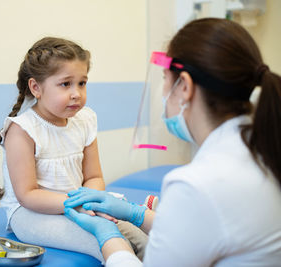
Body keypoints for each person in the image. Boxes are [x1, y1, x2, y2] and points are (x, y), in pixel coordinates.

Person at [64, 18, 281, 266]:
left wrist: (110, 240)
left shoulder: (197, 185)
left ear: (185, 86)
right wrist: (137, 215)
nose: (163, 89)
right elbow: (203, 229)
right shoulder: (265, 150)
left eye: (165, 77)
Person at [0, 37, 147, 262]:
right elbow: (28, 195)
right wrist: (77, 205)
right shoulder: (23, 130)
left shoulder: (85, 120)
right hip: (32, 214)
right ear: (36, 87)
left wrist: (91, 202)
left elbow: (94, 176)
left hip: (79, 205)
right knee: (106, 240)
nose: (76, 93)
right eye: (65, 84)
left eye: (82, 83)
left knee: (142, 239)